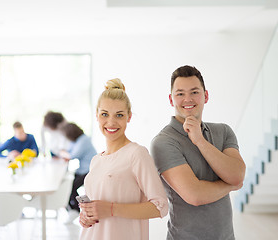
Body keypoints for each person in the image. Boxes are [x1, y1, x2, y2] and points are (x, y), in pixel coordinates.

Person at [151, 65, 246, 240]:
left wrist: (200, 140)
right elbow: (194, 195)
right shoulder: (163, 142)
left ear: (206, 96)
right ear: (171, 100)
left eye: (194, 92)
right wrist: (231, 185)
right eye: (180, 93)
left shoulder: (223, 131)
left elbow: (237, 174)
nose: (187, 99)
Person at [79, 78, 168, 240]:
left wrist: (112, 209)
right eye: (104, 114)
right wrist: (85, 216)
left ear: (129, 117)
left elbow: (160, 207)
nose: (111, 122)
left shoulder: (137, 154)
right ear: (97, 116)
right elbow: (97, 207)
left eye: (119, 115)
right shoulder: (96, 160)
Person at [59, 122, 97, 223]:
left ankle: (75, 210)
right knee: (66, 184)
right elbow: (68, 151)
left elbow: (72, 155)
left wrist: (64, 153)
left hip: (89, 171)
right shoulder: (76, 140)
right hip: (82, 170)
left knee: (70, 186)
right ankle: (72, 210)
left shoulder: (84, 140)